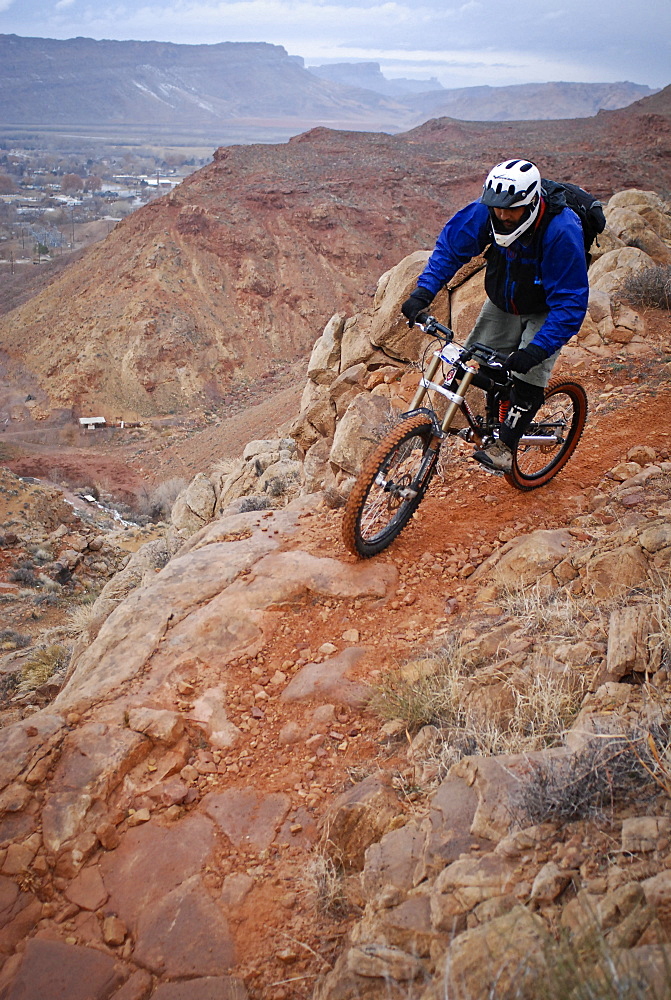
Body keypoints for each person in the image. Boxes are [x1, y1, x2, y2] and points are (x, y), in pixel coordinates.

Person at [401, 158, 589, 472]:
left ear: (530, 203)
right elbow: (451, 248)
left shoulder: (561, 230)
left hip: (548, 308)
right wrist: (423, 292)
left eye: (510, 209)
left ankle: (506, 445)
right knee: (469, 365)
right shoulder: (487, 212)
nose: (502, 215)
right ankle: (497, 412)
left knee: (527, 377)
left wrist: (534, 352)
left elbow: (570, 303)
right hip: (504, 302)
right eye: (497, 207)